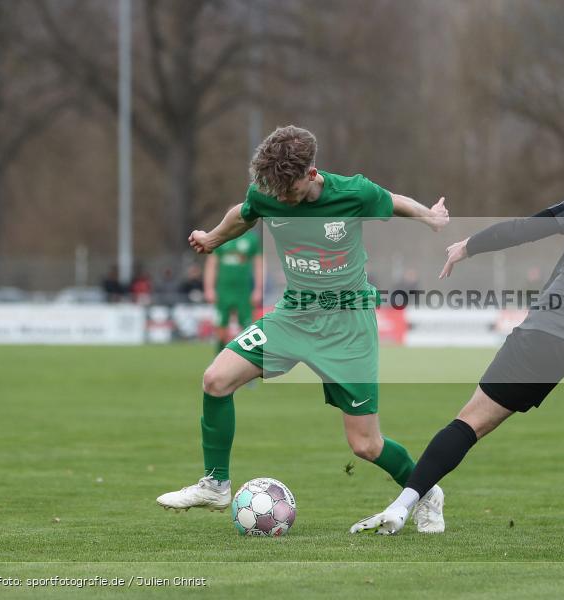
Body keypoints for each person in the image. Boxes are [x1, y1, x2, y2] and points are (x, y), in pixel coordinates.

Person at [351, 135, 564, 537]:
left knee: (470, 422)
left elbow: (533, 226)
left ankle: (401, 505)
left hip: (543, 331)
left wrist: (471, 245)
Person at [156, 125, 451, 533]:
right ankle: (216, 483)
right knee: (216, 380)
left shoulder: (353, 193)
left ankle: (426, 491)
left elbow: (394, 202)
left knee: (365, 445)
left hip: (347, 324)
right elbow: (243, 214)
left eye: (288, 192)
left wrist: (428, 216)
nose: (279, 199)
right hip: (294, 314)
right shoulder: (269, 191)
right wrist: (212, 239)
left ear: (311, 174)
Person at [204, 228, 263, 353]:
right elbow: (211, 264)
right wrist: (209, 289)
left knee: (248, 328)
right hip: (223, 291)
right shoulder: (220, 238)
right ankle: (219, 359)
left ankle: (248, 361)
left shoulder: (251, 239)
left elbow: (259, 265)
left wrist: (258, 289)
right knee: (221, 327)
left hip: (244, 291)